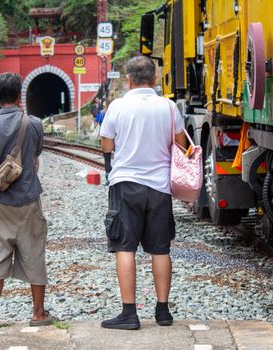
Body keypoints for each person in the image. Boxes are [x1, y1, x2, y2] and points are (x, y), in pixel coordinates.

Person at [99, 56, 186, 330]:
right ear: (155, 78)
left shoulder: (118, 106)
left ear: (128, 80)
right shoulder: (169, 107)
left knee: (124, 246)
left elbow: (106, 144)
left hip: (125, 183)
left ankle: (129, 313)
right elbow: (180, 144)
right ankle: (163, 312)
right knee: (160, 248)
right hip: (160, 186)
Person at [0, 72, 54, 327]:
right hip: (28, 202)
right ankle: (38, 313)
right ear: (19, 95)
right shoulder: (34, 123)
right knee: (34, 253)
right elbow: (35, 155)